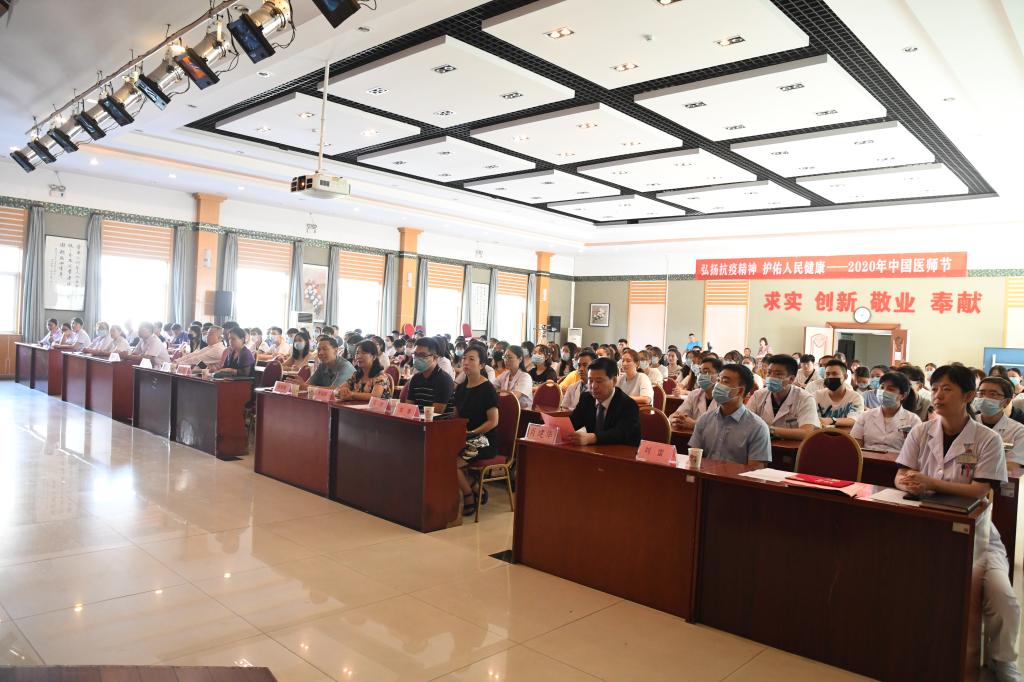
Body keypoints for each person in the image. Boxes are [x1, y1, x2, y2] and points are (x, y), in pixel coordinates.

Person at [895, 365, 1020, 680]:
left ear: (968, 396)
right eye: (935, 388)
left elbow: (981, 490)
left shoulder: (987, 439)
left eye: (947, 389)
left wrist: (930, 483)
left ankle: (1002, 659)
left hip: (977, 532)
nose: (938, 395)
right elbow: (901, 474)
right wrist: (908, 483)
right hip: (925, 523)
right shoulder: (921, 431)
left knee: (1002, 597)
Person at [689, 363, 771, 467]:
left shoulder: (757, 427)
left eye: (725, 381)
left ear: (740, 391)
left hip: (737, 477)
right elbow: (694, 460)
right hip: (705, 476)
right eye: (718, 380)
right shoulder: (704, 420)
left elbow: (754, 471)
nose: (718, 385)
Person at [452, 346, 501, 516]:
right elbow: (456, 417)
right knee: (441, 454)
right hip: (465, 437)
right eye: (464, 358)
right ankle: (473, 484)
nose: (466, 362)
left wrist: (472, 433)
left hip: (484, 440)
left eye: (471, 359)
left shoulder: (487, 389)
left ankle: (468, 496)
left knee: (453, 463)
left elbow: (493, 421)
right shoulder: (461, 388)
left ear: (482, 365)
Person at [568, 357, 641, 446]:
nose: (593, 386)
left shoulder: (628, 404)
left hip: (620, 451)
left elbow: (622, 433)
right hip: (593, 451)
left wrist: (593, 438)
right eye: (590, 380)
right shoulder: (586, 398)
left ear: (614, 381)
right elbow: (573, 423)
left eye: (599, 381)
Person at [747, 355, 819, 442]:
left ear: (791, 379)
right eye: (769, 373)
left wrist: (768, 430)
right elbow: (746, 422)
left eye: (778, 374)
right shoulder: (758, 395)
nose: (771, 377)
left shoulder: (805, 398)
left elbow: (806, 432)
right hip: (761, 445)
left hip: (791, 448)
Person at [851, 372, 921, 452]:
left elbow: (914, 450)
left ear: (903, 396)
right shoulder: (865, 416)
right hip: (868, 458)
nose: (884, 392)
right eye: (882, 387)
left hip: (898, 459)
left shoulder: (913, 420)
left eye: (890, 389)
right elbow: (855, 445)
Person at [974, 377, 1024, 468]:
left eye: (993, 394)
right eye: (981, 393)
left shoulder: (1018, 431)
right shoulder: (966, 424)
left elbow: (1012, 466)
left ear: (1006, 402)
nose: (984, 398)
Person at [405, 337, 455, 416]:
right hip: (418, 420)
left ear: (435, 357)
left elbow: (435, 413)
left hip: (439, 422)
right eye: (415, 354)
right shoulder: (415, 378)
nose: (417, 358)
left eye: (422, 355)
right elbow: (409, 407)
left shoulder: (444, 380)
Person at [670, 356, 722, 430]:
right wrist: (676, 419)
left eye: (706, 372)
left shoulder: (724, 398)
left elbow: (721, 427)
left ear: (719, 375)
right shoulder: (695, 394)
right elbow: (677, 413)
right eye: (700, 372)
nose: (701, 375)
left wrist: (695, 425)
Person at [815, 360, 863, 427]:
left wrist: (832, 420)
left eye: (834, 374)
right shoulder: (816, 396)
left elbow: (854, 420)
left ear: (845, 376)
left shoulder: (855, 397)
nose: (830, 377)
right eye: (827, 374)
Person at [494, 345, 533, 409]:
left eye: (510, 357)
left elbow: (514, 398)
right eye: (505, 357)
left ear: (520, 359)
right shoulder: (505, 374)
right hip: (506, 408)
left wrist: (499, 392)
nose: (506, 360)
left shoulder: (525, 377)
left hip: (522, 412)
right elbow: (491, 388)